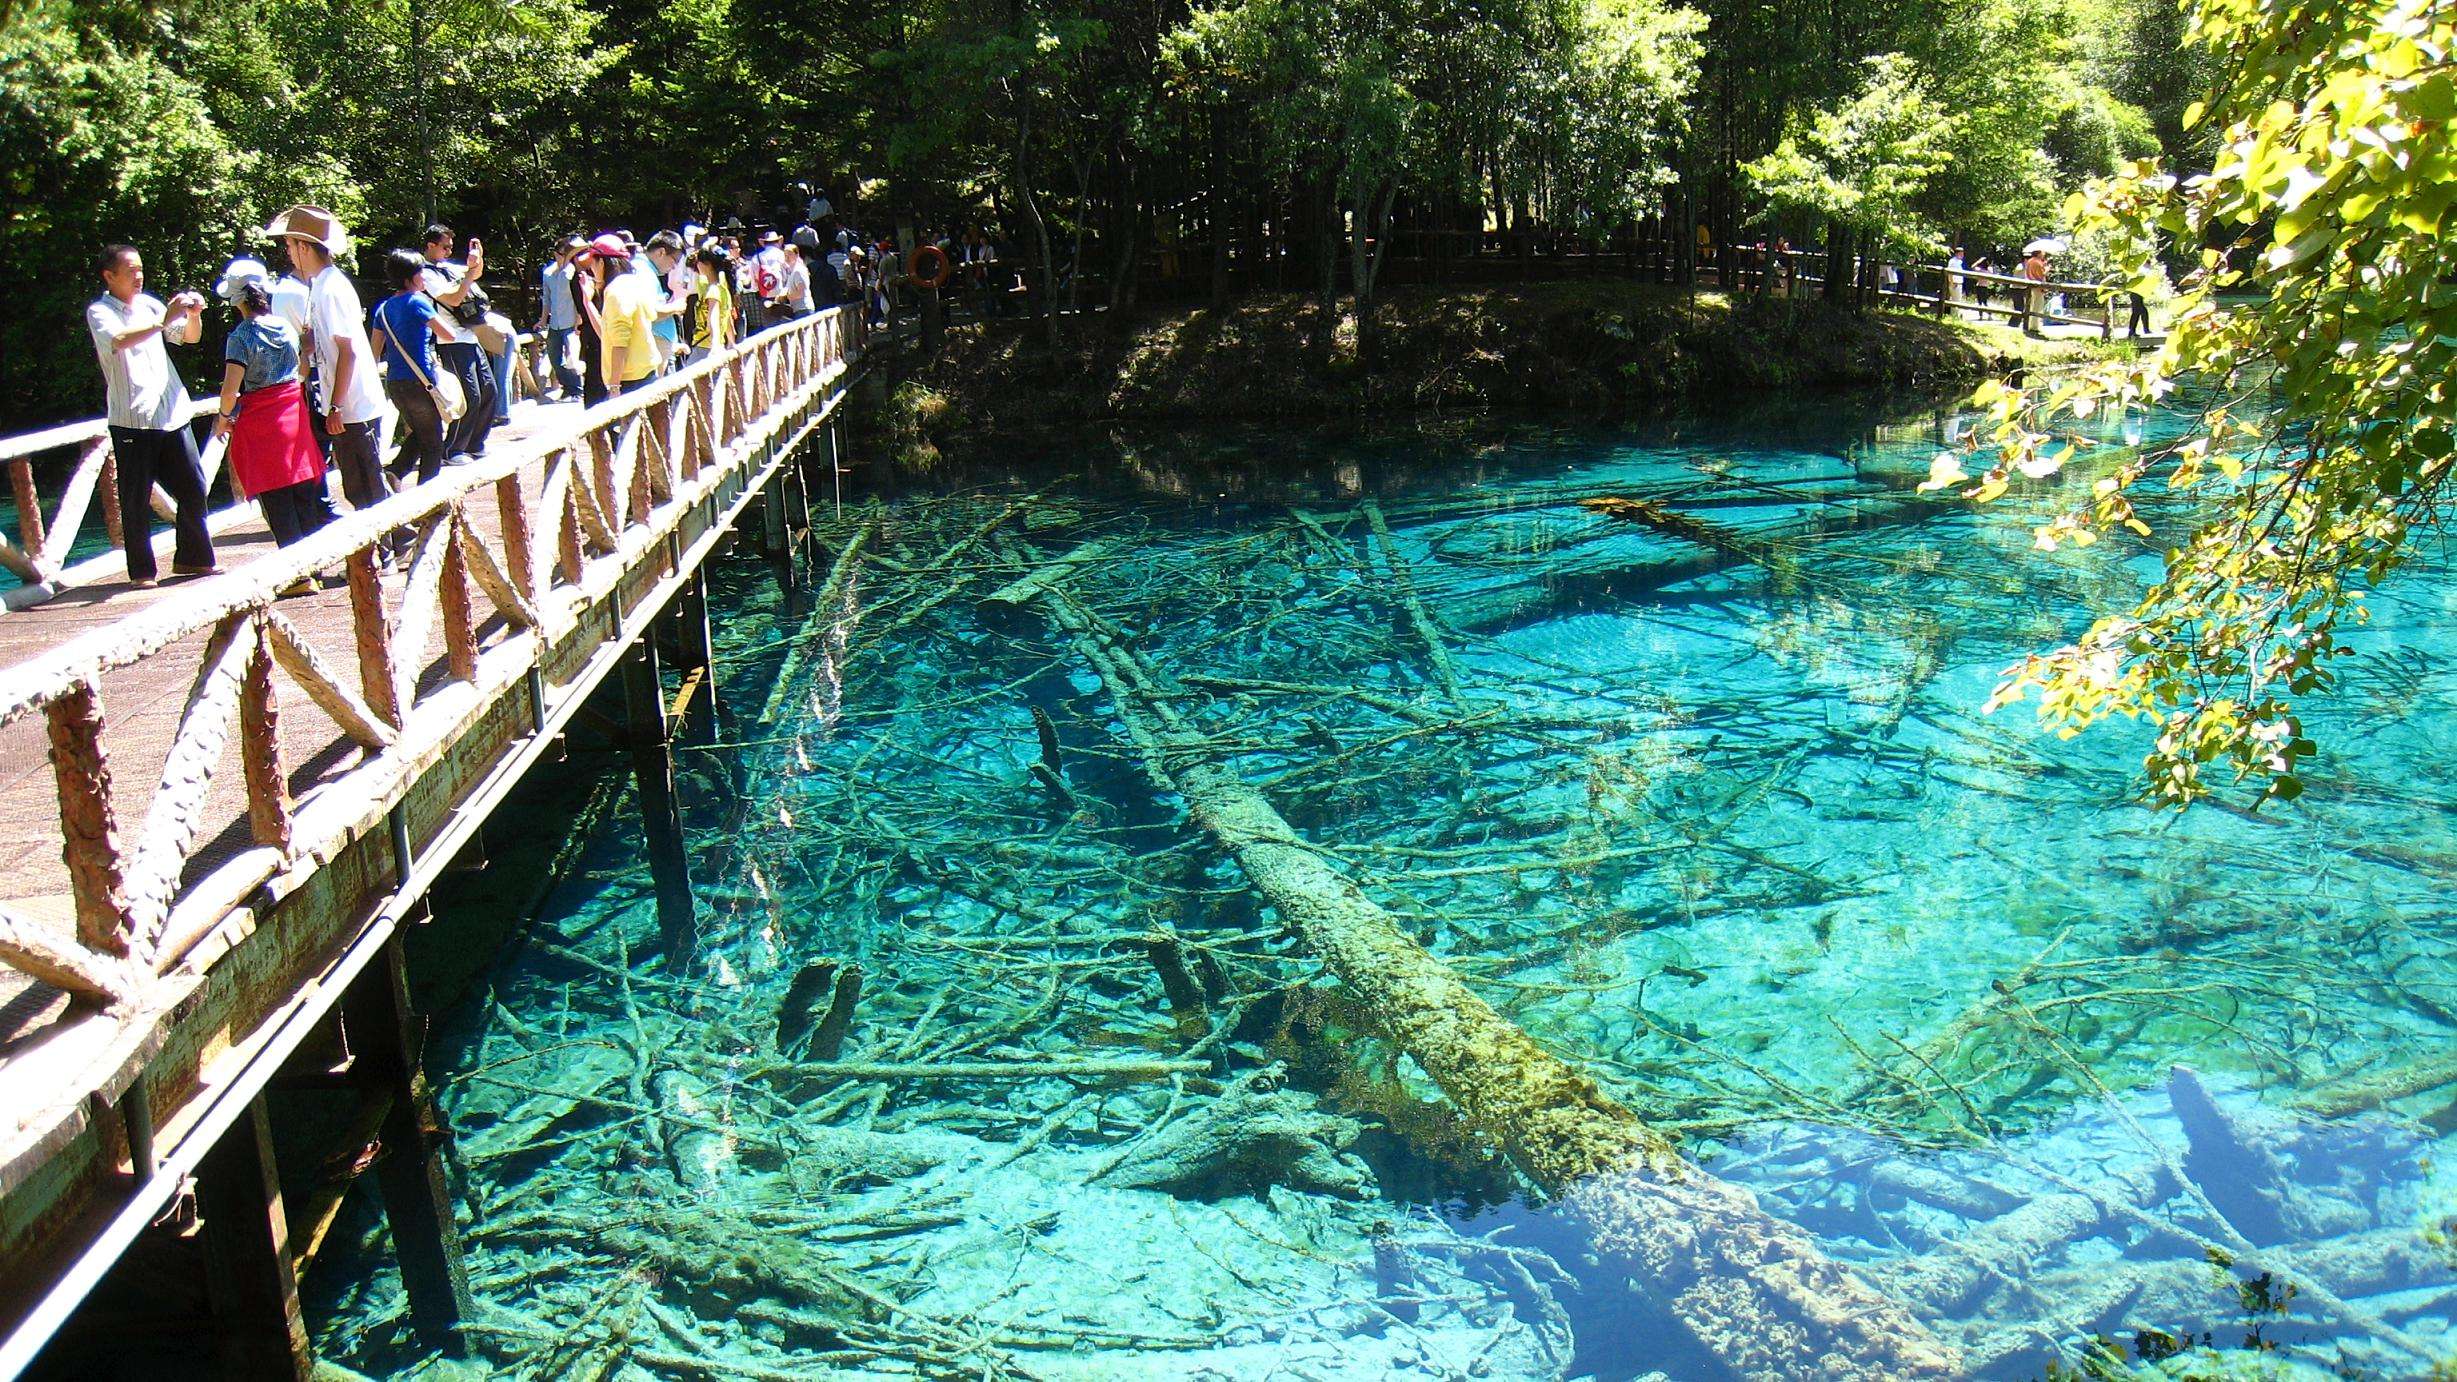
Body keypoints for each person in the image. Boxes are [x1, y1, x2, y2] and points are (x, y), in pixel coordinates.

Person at [86, 244, 216, 587]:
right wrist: (164, 320)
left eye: (141, 269)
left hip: (172, 410)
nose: (138, 277)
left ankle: (193, 558)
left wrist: (193, 314)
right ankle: (142, 572)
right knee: (135, 497)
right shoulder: (100, 311)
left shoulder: (150, 305)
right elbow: (119, 339)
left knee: (194, 486)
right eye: (130, 271)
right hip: (133, 418)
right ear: (109, 276)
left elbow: (188, 338)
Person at [266, 205, 393, 532]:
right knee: (359, 484)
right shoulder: (322, 286)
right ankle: (389, 544)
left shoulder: (329, 288)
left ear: (304, 247)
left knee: (366, 486)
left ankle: (387, 549)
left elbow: (347, 351)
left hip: (353, 405)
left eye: (291, 245)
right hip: (348, 403)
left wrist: (335, 406)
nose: (289, 253)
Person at [207, 258, 335, 577]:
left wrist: (224, 417)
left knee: (276, 497)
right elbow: (303, 369)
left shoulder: (240, 336)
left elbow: (231, 388)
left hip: (262, 421)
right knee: (303, 491)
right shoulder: (284, 327)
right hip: (294, 412)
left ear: (237, 300)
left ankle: (296, 575)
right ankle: (314, 567)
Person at [367, 249, 452, 486]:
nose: (424, 276)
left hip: (395, 383)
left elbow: (374, 351)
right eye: (420, 272)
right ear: (409, 278)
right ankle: (429, 499)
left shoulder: (383, 308)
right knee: (434, 441)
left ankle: (395, 472)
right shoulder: (417, 302)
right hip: (420, 382)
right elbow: (449, 334)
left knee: (421, 433)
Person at [417, 223, 498, 461]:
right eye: (444, 247)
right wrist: (469, 275)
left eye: (451, 247)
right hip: (449, 339)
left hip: (469, 335)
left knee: (488, 390)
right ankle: (453, 449)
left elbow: (476, 273)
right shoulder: (425, 273)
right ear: (431, 245)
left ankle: (475, 444)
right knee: (468, 395)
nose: (449, 252)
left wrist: (477, 260)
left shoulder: (449, 268)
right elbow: (453, 299)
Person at [592, 233, 660, 394]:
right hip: (647, 371)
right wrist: (587, 301)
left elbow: (620, 342)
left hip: (629, 381)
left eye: (592, 264)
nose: (591, 270)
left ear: (601, 263)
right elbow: (606, 333)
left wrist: (614, 387)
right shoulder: (635, 282)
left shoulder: (616, 291)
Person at [535, 236, 584, 400]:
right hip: (555, 323)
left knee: (572, 357)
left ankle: (577, 390)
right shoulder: (548, 273)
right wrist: (543, 320)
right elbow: (546, 298)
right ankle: (567, 387)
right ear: (556, 254)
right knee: (555, 357)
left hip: (571, 321)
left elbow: (580, 297)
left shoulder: (573, 272)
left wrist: (579, 319)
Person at [683, 244, 735, 367]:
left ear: (706, 264)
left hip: (704, 347)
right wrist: (731, 341)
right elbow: (727, 318)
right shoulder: (723, 289)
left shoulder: (713, 291)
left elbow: (713, 318)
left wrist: (715, 345)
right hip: (712, 345)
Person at [645, 230, 690, 370]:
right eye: (674, 261)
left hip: (661, 349)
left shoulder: (648, 271)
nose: (674, 267)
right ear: (661, 253)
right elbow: (650, 313)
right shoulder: (644, 272)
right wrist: (676, 307)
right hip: (654, 353)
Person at [2020, 246, 2050, 335]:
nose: (2044, 253)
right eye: (2042, 252)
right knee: (2037, 306)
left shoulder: (2030, 261)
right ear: (2039, 253)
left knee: (2031, 305)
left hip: (2030, 286)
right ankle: (2034, 326)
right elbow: (2041, 275)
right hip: (2037, 287)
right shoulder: (2037, 262)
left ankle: (2029, 324)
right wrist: (2047, 269)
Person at [1944, 246, 1966, 314]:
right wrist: (1951, 282)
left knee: (1957, 300)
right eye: (1961, 253)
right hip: (1955, 283)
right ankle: (1954, 316)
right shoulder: (1953, 261)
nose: (1962, 255)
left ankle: (1955, 315)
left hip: (1958, 283)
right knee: (1955, 301)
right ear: (1957, 253)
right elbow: (1950, 273)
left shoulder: (1959, 262)